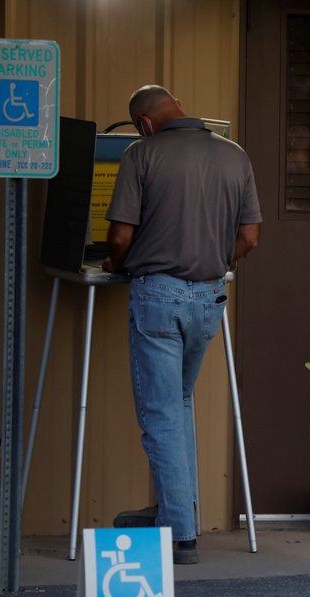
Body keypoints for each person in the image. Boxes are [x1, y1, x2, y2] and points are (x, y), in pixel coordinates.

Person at [102, 85, 263, 564]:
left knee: (162, 415)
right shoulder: (235, 156)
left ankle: (180, 533)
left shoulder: (141, 153)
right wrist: (214, 258)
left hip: (158, 295)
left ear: (145, 123)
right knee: (180, 402)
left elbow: (119, 235)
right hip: (210, 296)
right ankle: (177, 511)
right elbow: (250, 237)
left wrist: (120, 265)